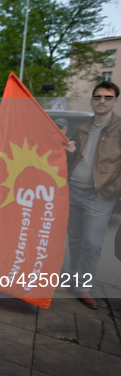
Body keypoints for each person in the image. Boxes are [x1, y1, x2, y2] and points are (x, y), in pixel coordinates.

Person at [64, 80, 120, 309]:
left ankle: (84, 286)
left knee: (93, 244)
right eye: (98, 97)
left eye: (108, 97)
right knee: (76, 241)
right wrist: (69, 153)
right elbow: (75, 161)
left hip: (98, 198)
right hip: (73, 192)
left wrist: (107, 192)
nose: (102, 101)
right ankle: (74, 281)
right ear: (92, 100)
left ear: (115, 101)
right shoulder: (82, 129)